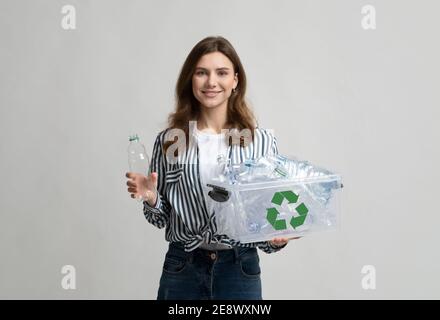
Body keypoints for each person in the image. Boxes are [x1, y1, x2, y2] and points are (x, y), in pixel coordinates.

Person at [125, 36, 299, 300]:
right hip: (183, 266)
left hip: (239, 268)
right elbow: (161, 218)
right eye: (202, 73)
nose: (211, 82)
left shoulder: (259, 141)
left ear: (235, 81)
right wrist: (150, 198)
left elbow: (263, 220)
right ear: (190, 80)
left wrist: (276, 238)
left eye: (222, 73)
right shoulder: (173, 140)